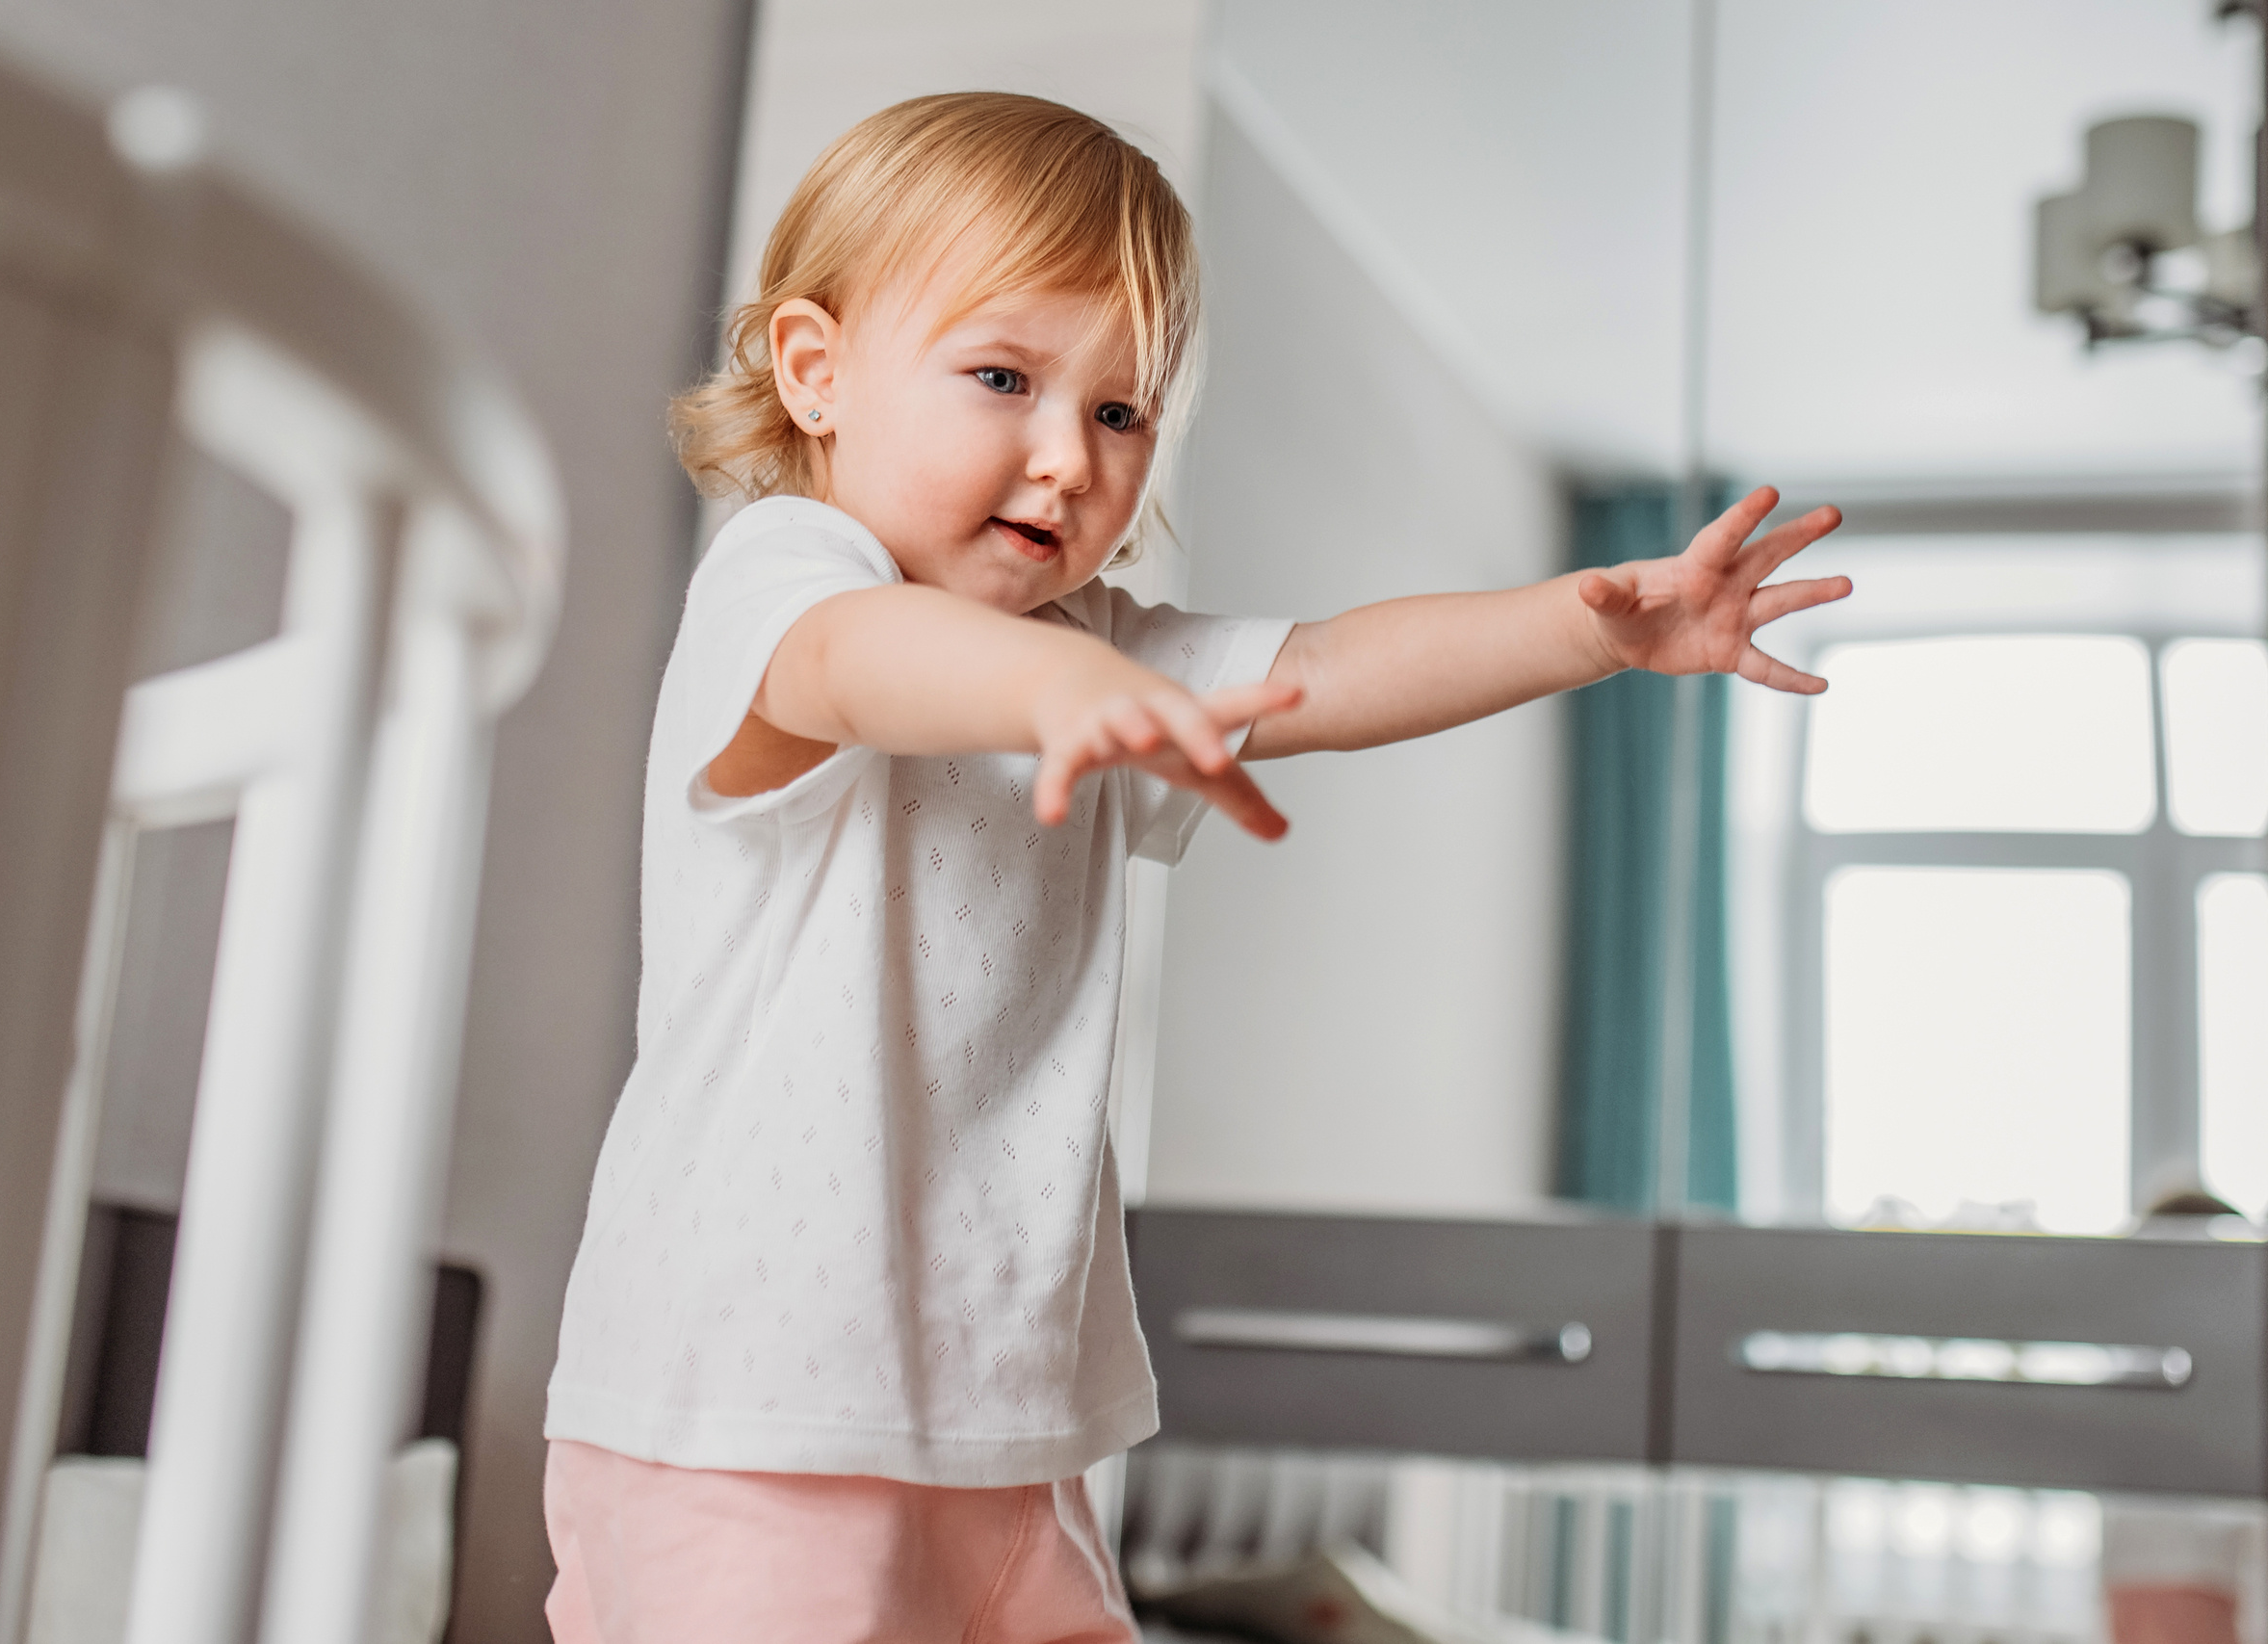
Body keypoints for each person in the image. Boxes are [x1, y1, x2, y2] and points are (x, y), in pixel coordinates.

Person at [541, 91, 1849, 1643]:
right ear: (815, 372)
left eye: (1120, 411)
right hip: (746, 1406)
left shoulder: (1091, 644)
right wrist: (1054, 696)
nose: (1067, 456)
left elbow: (1335, 668)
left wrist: (1585, 630)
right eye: (1003, 376)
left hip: (1006, 1423)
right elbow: (851, 665)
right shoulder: (788, 573)